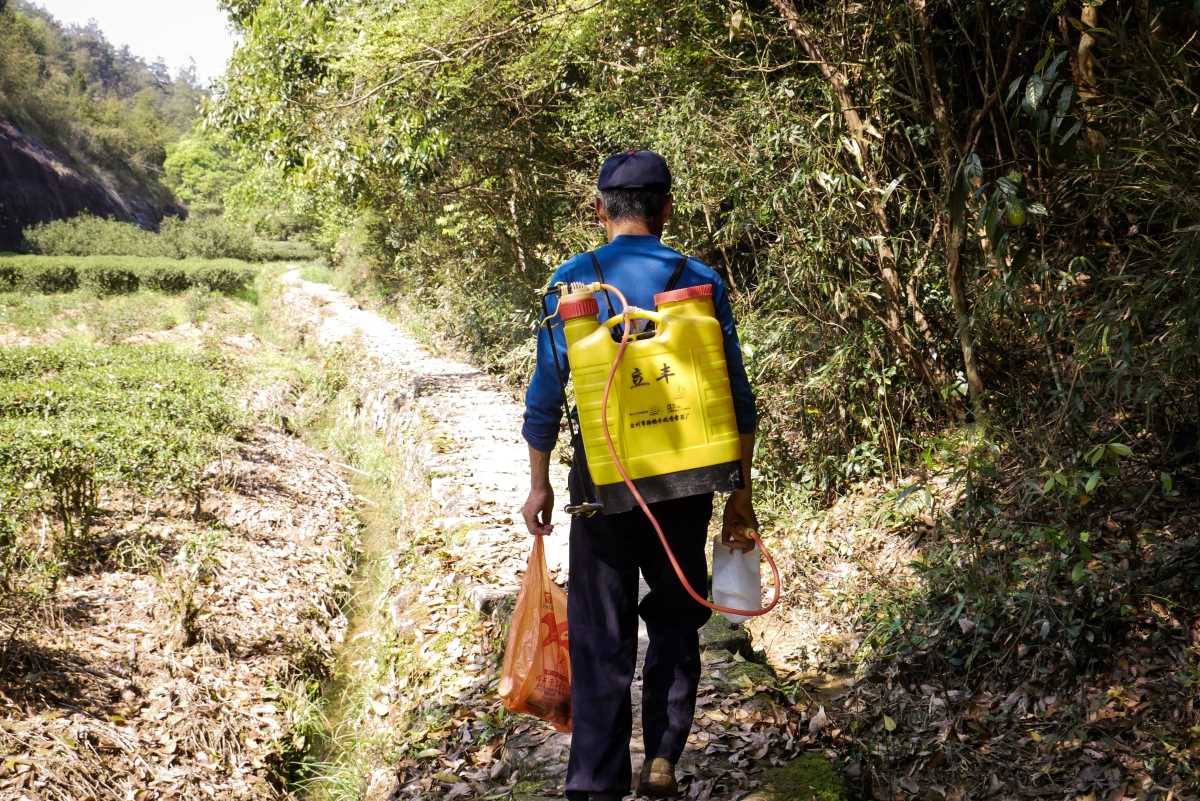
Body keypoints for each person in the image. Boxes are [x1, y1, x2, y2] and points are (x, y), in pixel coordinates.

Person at [520, 150, 759, 801]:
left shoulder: (574, 284)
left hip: (602, 483)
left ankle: (596, 780)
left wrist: (539, 481)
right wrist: (741, 494)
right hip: (685, 479)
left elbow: (546, 396)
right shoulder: (698, 279)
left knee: (603, 630)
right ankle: (661, 756)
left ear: (599, 210)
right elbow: (738, 399)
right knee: (677, 618)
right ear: (667, 209)